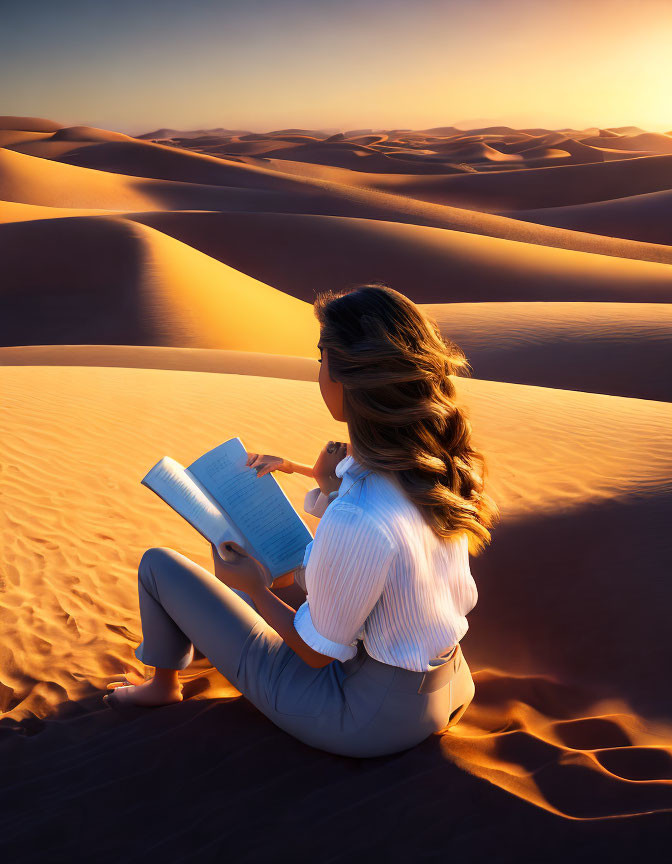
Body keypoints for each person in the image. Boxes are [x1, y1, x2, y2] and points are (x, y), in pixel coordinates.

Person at [103, 282, 499, 758]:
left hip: (367, 718)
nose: (318, 373)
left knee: (160, 566)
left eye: (321, 358)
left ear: (347, 377)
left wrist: (254, 588)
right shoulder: (434, 470)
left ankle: (163, 685)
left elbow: (315, 654)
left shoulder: (360, 514)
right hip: (450, 680)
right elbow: (380, 576)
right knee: (285, 573)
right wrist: (329, 489)